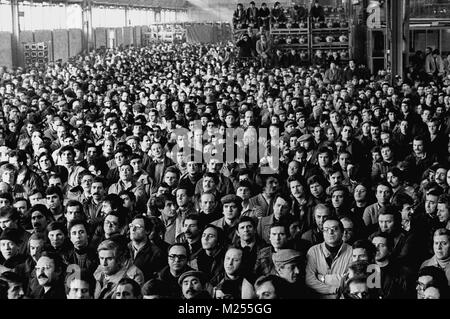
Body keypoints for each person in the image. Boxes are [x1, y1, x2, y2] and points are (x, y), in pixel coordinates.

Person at [305, 218, 353, 299]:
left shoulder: (352, 251)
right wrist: (333, 289)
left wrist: (322, 278)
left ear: (342, 232)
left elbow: (351, 280)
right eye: (326, 229)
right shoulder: (313, 251)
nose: (330, 232)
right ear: (322, 233)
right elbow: (309, 280)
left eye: (335, 229)